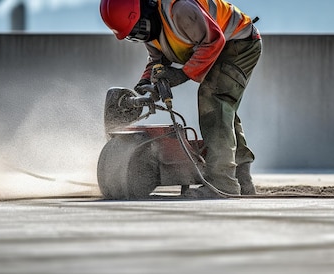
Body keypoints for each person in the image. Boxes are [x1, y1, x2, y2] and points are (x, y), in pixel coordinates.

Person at [100, 0, 262, 197]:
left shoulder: (180, 9)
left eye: (140, 29)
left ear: (148, 7)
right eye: (134, 35)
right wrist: (145, 82)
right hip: (214, 43)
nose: (140, 35)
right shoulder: (150, 31)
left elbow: (214, 40)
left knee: (213, 99)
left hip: (239, 43)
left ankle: (223, 184)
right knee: (224, 108)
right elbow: (157, 61)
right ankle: (243, 181)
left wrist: (183, 74)